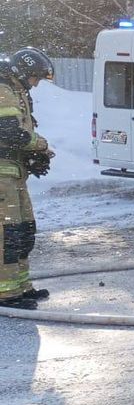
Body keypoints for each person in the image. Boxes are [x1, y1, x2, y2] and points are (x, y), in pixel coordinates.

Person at [0, 48, 54, 310]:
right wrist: (39, 146)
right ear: (23, 72)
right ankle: (6, 293)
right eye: (35, 77)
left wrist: (33, 157)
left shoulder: (17, 90)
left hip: (13, 173)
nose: (36, 83)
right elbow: (9, 133)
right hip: (2, 174)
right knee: (7, 234)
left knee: (23, 231)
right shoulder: (3, 89)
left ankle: (21, 286)